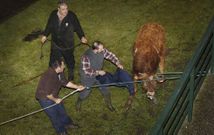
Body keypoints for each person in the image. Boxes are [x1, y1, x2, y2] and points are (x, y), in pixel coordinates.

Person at [41, 0, 88, 81]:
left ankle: (71, 70)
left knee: (69, 57)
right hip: (55, 42)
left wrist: (82, 37)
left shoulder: (71, 16)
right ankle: (51, 72)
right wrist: (45, 35)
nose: (65, 11)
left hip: (67, 43)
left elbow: (77, 27)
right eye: (63, 9)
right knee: (53, 58)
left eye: (66, 8)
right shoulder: (53, 14)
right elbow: (49, 25)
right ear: (58, 9)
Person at [35, 59, 85, 135]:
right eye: (63, 65)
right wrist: (55, 100)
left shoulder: (60, 72)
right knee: (55, 116)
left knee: (62, 111)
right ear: (58, 67)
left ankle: (68, 124)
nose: (64, 66)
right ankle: (61, 131)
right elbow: (47, 94)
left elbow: (64, 82)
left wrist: (77, 87)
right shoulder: (49, 76)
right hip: (45, 99)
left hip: (53, 95)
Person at [76, 41, 125, 112]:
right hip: (87, 77)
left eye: (103, 48)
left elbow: (110, 55)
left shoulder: (102, 51)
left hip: (99, 74)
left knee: (105, 89)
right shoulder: (86, 57)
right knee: (85, 92)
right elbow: (87, 71)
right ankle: (79, 101)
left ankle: (109, 104)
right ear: (95, 49)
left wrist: (118, 63)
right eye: (101, 49)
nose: (103, 50)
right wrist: (98, 72)